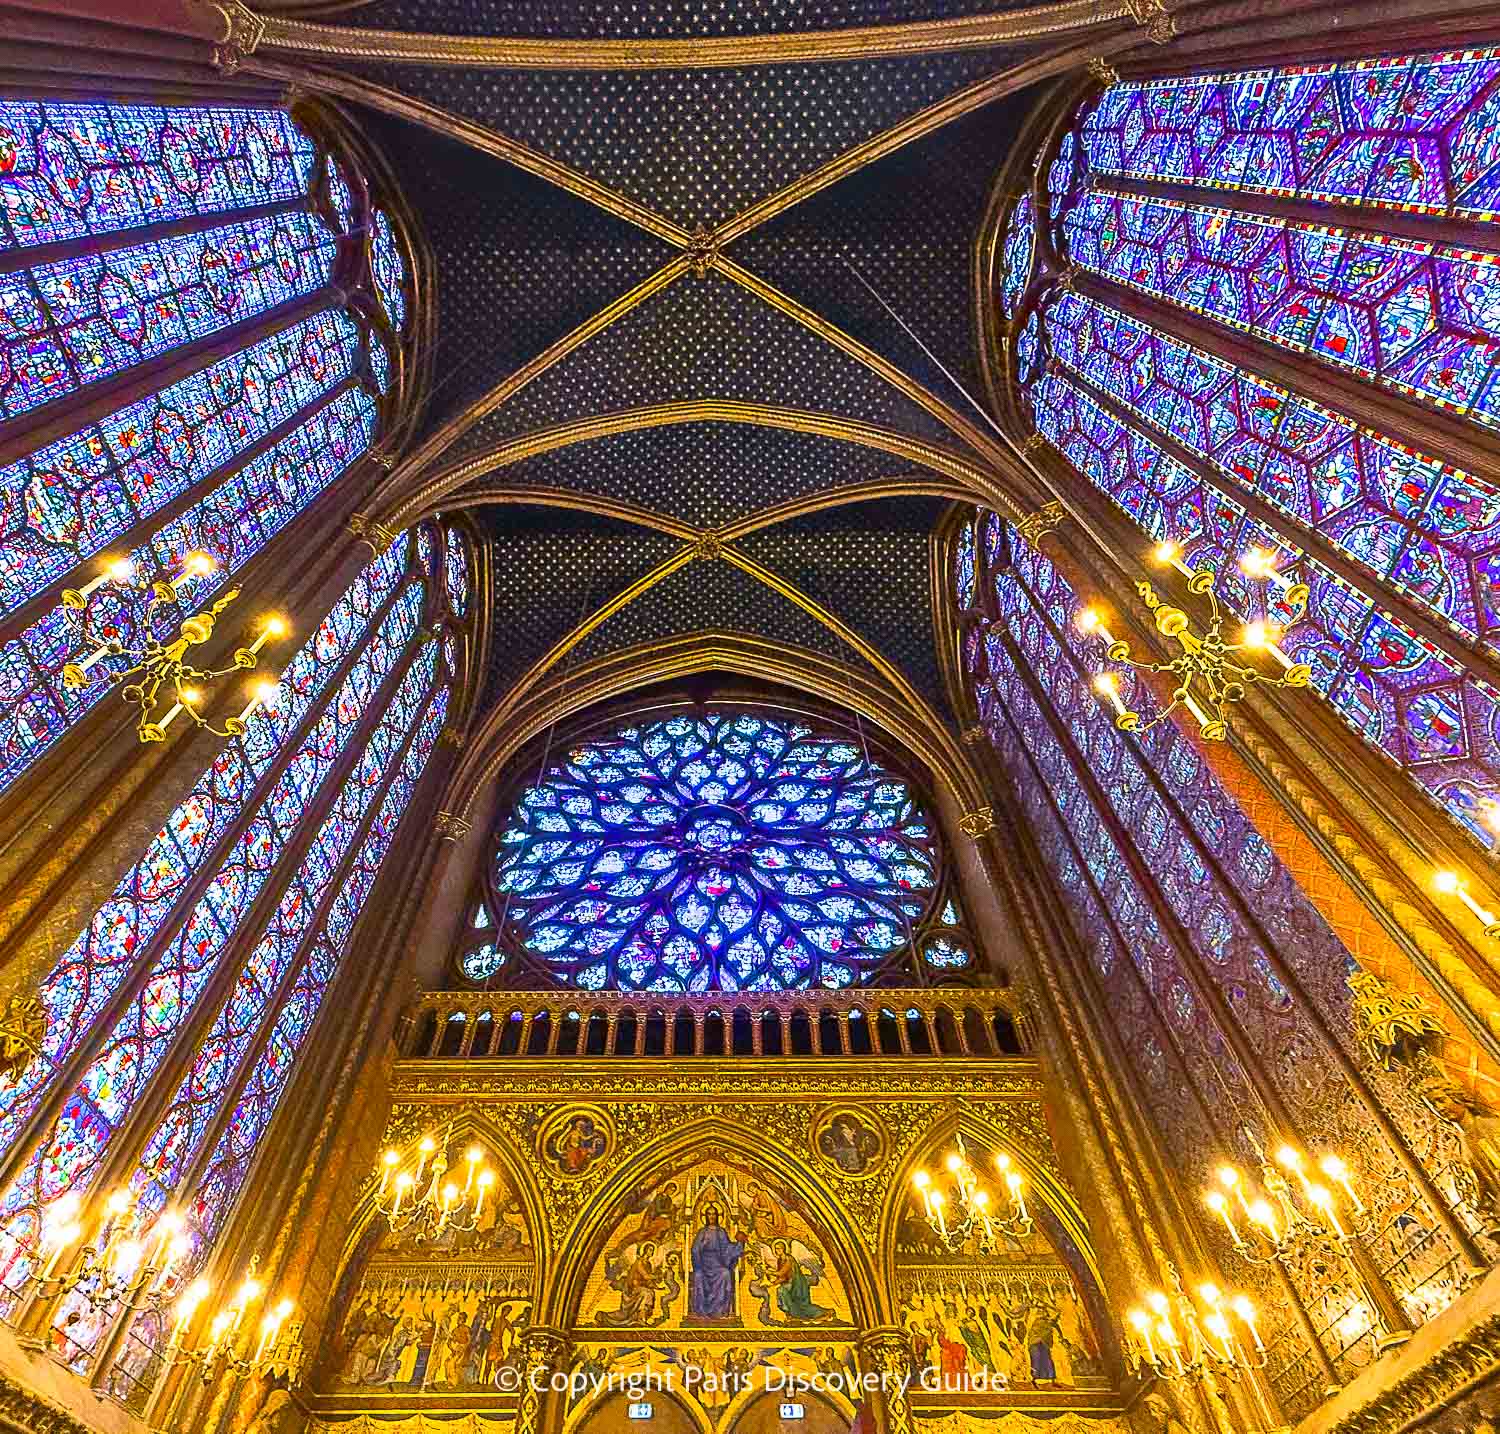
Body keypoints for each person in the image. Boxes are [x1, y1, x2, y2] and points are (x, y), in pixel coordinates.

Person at [688, 1205, 746, 1320]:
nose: (712, 1216)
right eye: (709, 1214)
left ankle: (720, 1310)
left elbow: (727, 1249)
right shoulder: (702, 1232)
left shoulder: (721, 1232)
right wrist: (701, 1246)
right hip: (703, 1263)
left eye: (714, 1214)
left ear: (718, 1216)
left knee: (725, 1274)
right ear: (705, 1216)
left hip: (718, 1263)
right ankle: (702, 1310)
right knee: (699, 1276)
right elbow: (694, 1250)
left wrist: (739, 1243)